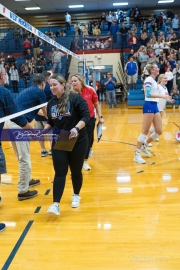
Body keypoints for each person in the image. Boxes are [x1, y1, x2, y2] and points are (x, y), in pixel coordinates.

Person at [43, 74, 90, 215]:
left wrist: (76, 128)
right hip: (61, 139)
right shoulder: (51, 103)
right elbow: (51, 122)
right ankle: (55, 204)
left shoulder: (75, 98)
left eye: (54, 85)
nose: (52, 88)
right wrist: (43, 131)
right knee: (60, 172)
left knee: (75, 170)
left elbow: (86, 116)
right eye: (50, 85)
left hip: (78, 139)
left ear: (63, 85)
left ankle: (76, 194)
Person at [6, 74, 48, 200]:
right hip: (19, 125)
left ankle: (28, 180)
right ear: (43, 83)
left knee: (22, 155)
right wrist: (51, 118)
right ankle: (22, 191)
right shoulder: (40, 92)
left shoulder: (27, 91)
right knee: (24, 158)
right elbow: (44, 112)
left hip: (11, 123)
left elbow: (35, 110)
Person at [0, 70, 33, 232]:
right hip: (14, 126)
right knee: (23, 158)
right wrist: (31, 129)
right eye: (5, 74)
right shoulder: (3, 92)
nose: (7, 76)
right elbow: (16, 116)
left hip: (6, 128)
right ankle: (23, 190)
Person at [133, 64, 174, 164]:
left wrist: (166, 98)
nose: (158, 69)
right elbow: (148, 94)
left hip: (155, 105)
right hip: (149, 105)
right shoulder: (148, 80)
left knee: (159, 131)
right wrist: (163, 97)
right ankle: (137, 155)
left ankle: (144, 145)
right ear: (152, 70)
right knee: (145, 131)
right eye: (156, 68)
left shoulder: (154, 81)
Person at [71, 73, 104, 170]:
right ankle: (76, 159)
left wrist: (100, 116)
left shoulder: (90, 90)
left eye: (75, 81)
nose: (73, 83)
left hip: (89, 119)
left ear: (81, 81)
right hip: (77, 120)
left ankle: (84, 161)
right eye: (72, 81)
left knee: (88, 140)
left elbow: (96, 104)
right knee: (76, 140)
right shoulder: (70, 94)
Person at [34, 71, 53, 157]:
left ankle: (45, 150)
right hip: (43, 115)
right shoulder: (49, 88)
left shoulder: (49, 88)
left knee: (43, 134)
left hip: (43, 114)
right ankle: (46, 150)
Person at [147, 74, 170, 147]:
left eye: (167, 78)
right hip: (156, 107)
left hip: (161, 108)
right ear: (160, 79)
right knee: (154, 125)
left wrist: (170, 100)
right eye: (164, 78)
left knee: (157, 124)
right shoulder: (158, 87)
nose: (166, 79)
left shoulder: (165, 88)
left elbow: (166, 97)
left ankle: (154, 136)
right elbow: (153, 96)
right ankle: (148, 139)